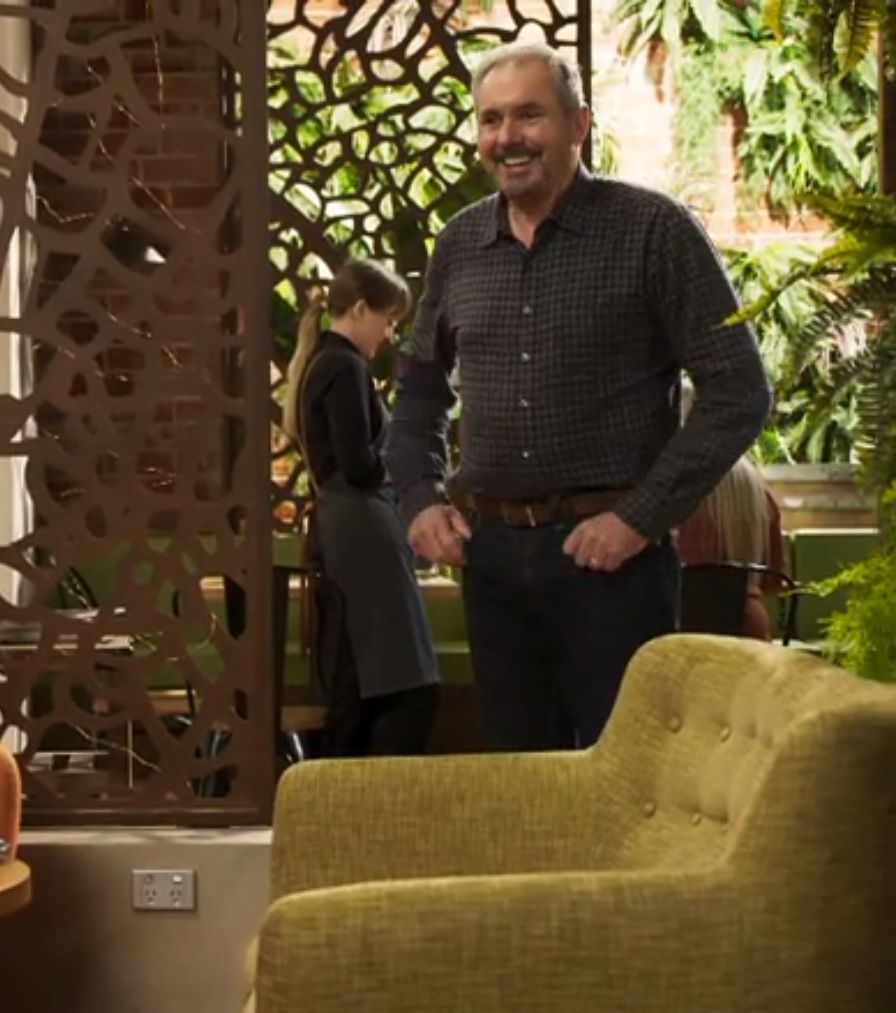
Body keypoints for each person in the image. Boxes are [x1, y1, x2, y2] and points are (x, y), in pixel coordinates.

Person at [386, 42, 771, 751]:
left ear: (579, 124)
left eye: (529, 115)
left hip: (615, 566)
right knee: (520, 780)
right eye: (491, 120)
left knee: (625, 774)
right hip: (492, 562)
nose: (508, 137)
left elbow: (740, 389)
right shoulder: (459, 244)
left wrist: (639, 518)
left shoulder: (655, 231)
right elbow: (418, 390)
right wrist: (419, 498)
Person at [280, 259, 440, 756]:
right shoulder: (344, 366)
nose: (389, 335)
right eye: (388, 320)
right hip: (363, 527)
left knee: (364, 673)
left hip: (347, 525)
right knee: (402, 680)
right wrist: (404, 453)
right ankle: (376, 787)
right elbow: (358, 465)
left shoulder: (322, 363)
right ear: (360, 309)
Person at [675, 453, 789, 641]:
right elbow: (773, 582)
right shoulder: (758, 490)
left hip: (673, 623)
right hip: (746, 624)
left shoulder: (668, 485)